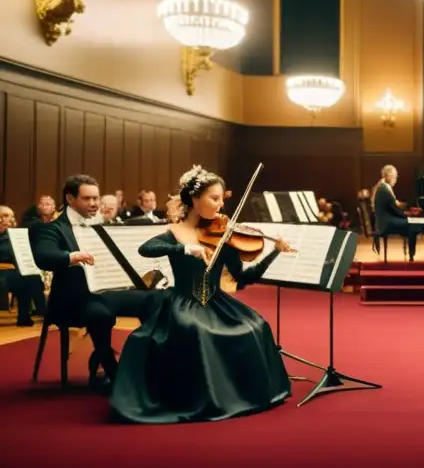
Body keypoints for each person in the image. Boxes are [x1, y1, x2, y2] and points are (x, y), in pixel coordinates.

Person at [108, 166, 293, 423]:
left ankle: (241, 395)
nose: (220, 205)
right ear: (195, 200)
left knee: (256, 325)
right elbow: (146, 248)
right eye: (214, 198)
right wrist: (185, 249)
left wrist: (274, 252)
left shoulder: (223, 233)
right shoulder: (174, 232)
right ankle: (204, 399)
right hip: (183, 302)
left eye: (221, 199)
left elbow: (243, 277)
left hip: (217, 301)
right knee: (195, 329)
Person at [29, 175, 155, 392]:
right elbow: (44, 257)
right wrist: (72, 256)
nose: (94, 204)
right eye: (87, 199)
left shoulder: (102, 225)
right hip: (73, 299)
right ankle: (110, 370)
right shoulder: (50, 228)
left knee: (156, 300)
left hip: (106, 292)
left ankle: (148, 363)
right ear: (70, 199)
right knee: (101, 315)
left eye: (96, 198)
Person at [373, 164, 424, 261]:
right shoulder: (384, 189)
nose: (396, 179)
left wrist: (409, 211)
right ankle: (411, 255)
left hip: (384, 220)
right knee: (411, 225)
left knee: (410, 223)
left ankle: (411, 254)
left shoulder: (383, 187)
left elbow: (394, 207)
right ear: (389, 176)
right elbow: (396, 209)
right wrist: (409, 214)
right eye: (395, 176)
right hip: (386, 223)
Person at [0, 205, 46, 326]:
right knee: (25, 279)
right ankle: (42, 312)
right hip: (2, 270)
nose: (8, 219)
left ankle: (28, 315)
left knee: (31, 276)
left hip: (11, 271)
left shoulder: (13, 234)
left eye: (10, 216)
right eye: (5, 216)